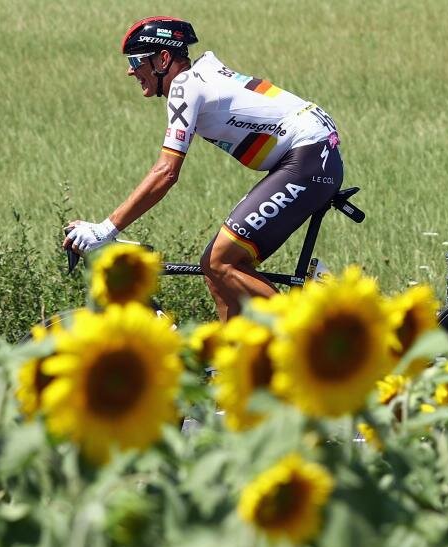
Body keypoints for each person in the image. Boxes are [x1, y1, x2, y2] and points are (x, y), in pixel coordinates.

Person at [64, 16, 343, 321]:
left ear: (164, 58)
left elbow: (166, 172)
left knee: (221, 261)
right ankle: (230, 360)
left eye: (136, 60)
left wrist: (106, 229)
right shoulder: (201, 76)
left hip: (308, 156)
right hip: (310, 154)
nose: (130, 69)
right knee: (215, 269)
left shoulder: (185, 86)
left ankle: (303, 336)